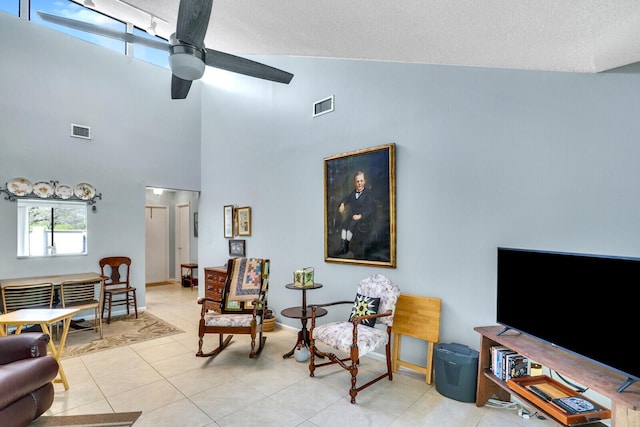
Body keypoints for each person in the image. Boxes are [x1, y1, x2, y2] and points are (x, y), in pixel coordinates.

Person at [334, 171, 374, 255]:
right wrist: (342, 204)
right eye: (357, 181)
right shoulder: (353, 193)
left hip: (363, 218)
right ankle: (343, 247)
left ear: (364, 181)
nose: (359, 183)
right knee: (344, 226)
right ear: (354, 183)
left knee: (351, 226)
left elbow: (370, 210)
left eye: (361, 181)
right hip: (352, 216)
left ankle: (346, 246)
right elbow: (347, 198)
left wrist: (360, 216)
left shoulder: (368, 195)